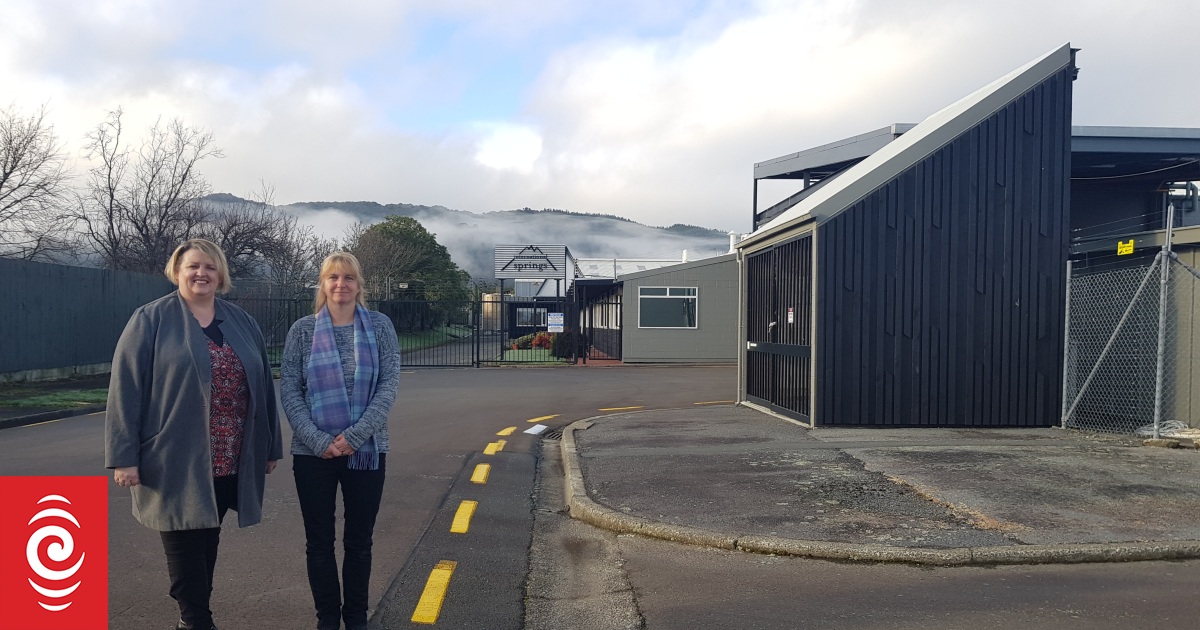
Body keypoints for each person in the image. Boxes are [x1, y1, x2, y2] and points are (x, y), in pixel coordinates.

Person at [105, 239, 282, 630]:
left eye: (209, 267)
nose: (201, 273)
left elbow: (265, 387)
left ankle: (193, 617)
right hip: (173, 456)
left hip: (230, 452)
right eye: (192, 267)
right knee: (183, 541)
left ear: (220, 275)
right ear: (177, 272)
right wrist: (124, 456)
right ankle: (196, 620)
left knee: (207, 538)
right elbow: (125, 389)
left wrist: (270, 446)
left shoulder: (241, 321)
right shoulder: (150, 319)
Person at [281, 252, 401, 630]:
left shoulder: (380, 327)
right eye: (333, 277)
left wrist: (353, 437)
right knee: (319, 542)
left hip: (366, 451)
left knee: (359, 542)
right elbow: (290, 390)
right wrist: (320, 441)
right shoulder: (302, 330)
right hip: (313, 453)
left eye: (348, 278)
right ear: (322, 284)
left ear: (358, 285)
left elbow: (388, 385)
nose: (340, 284)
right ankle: (327, 618)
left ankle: (356, 617)